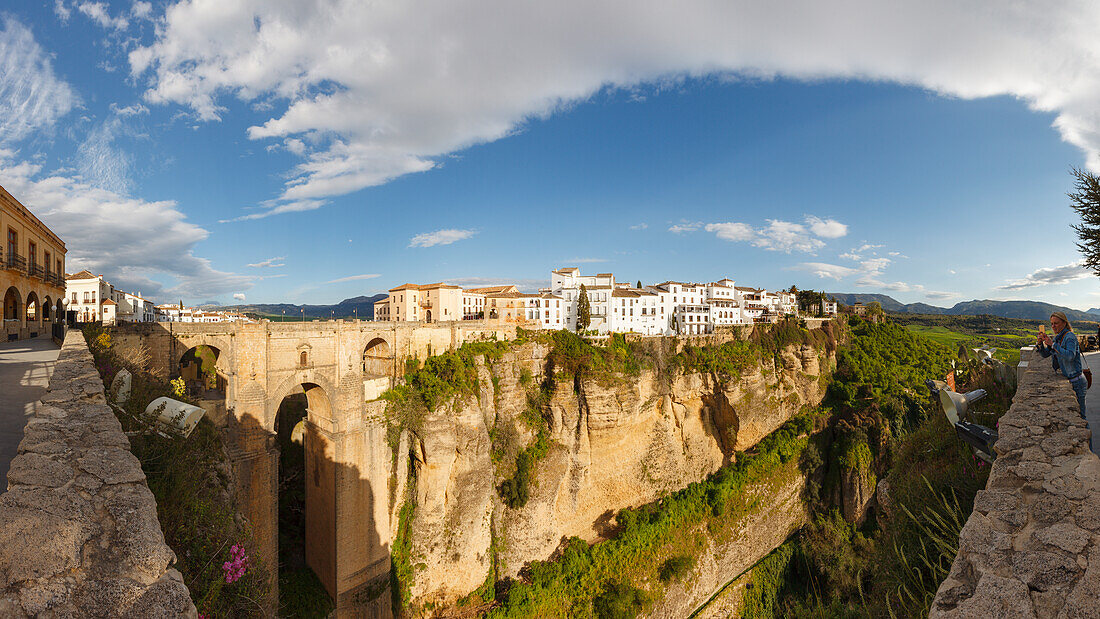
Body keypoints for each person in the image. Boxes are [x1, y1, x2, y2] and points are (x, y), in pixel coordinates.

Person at [1037, 312, 1088, 420]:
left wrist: (1053, 344)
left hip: (1077, 381)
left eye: (1056, 323)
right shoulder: (1058, 338)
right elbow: (1046, 354)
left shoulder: (1069, 337)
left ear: (1064, 323)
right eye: (1051, 324)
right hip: (1071, 379)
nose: (1053, 326)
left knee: (1081, 418)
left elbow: (1070, 356)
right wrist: (1041, 343)